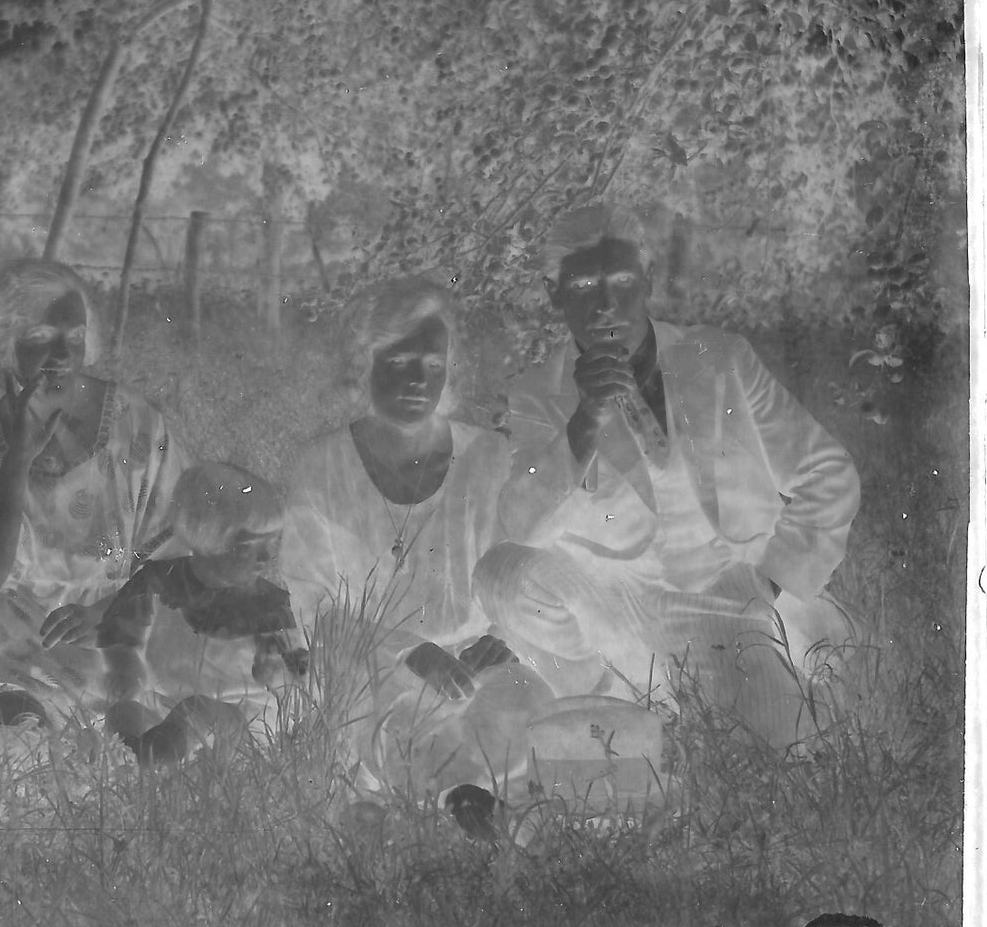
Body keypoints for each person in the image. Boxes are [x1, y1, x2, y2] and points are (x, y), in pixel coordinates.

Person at [480, 204, 861, 746]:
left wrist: (771, 580)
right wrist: (585, 417)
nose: (605, 303)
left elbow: (828, 472)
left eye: (621, 280)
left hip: (721, 591)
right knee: (501, 571)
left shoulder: (720, 357)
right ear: (553, 292)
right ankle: (619, 690)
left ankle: (768, 648)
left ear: (648, 277)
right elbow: (522, 523)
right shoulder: (538, 390)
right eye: (583, 285)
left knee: (779, 745)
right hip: (618, 602)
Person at [279, 277, 554, 810]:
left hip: (475, 662)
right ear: (364, 365)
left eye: (432, 363)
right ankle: (463, 796)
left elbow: (525, 564)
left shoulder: (489, 456)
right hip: (375, 662)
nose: (417, 380)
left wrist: (504, 633)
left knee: (524, 701)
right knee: (388, 716)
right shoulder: (321, 465)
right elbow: (310, 602)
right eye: (399, 361)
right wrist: (412, 651)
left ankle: (459, 792)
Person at [0, 258, 189, 728]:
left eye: (74, 336)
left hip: (119, 622)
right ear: (5, 345)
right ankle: (32, 711)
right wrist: (19, 454)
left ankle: (27, 705)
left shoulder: (137, 420)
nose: (61, 352)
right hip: (17, 625)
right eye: (40, 336)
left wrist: (106, 614)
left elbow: (178, 552)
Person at [97, 462, 308, 764]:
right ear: (206, 538)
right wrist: (126, 670)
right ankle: (133, 757)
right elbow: (120, 633)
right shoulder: (159, 581)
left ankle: (153, 760)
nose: (265, 556)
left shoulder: (269, 606)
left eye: (272, 543)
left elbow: (297, 673)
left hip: (237, 722)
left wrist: (278, 674)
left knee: (195, 708)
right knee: (123, 712)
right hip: (165, 709)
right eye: (249, 546)